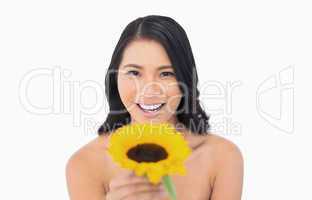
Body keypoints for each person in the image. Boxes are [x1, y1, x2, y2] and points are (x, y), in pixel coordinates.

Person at [66, 15, 244, 200]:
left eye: (166, 73)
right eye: (134, 72)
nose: (149, 90)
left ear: (185, 79)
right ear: (115, 77)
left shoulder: (222, 157)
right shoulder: (85, 163)